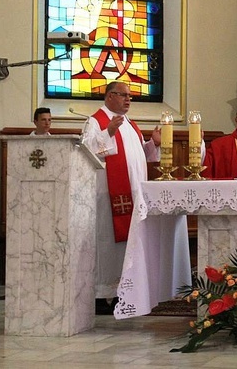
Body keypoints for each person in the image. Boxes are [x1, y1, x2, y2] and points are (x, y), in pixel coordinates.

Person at [81, 81, 162, 315]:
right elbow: (87, 152)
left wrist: (152, 144)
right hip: (107, 196)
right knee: (108, 243)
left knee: (130, 244)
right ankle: (102, 293)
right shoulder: (96, 121)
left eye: (130, 96)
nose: (128, 100)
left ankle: (124, 291)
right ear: (109, 97)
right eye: (123, 95)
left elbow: (138, 156)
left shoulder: (130, 124)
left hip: (133, 194)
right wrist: (108, 133)